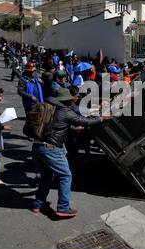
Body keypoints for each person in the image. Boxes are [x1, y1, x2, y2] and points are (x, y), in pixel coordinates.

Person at [31, 88, 111, 217]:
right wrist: (102, 118)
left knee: (46, 176)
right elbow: (86, 121)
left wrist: (73, 129)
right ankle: (63, 208)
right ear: (67, 101)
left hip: (37, 147)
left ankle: (37, 204)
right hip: (51, 148)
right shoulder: (64, 111)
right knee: (65, 176)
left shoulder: (49, 108)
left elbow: (57, 126)